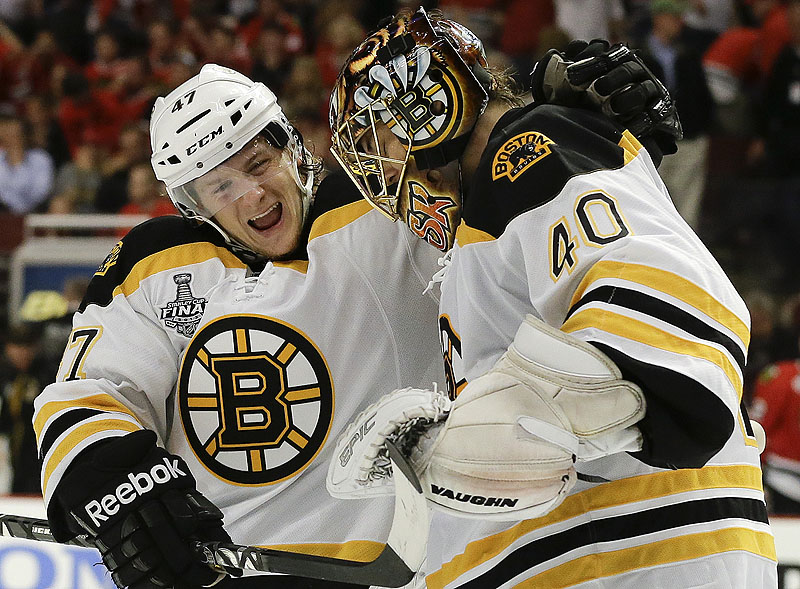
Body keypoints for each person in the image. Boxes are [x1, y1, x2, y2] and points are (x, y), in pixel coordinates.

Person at [33, 47, 683, 589]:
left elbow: (517, 207)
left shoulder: (381, 199)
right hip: (231, 573)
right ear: (191, 202)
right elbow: (84, 394)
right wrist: (120, 486)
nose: (252, 193)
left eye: (257, 163)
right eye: (220, 185)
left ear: (290, 143)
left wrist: (585, 134)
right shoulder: (154, 262)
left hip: (420, 567)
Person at [328, 7, 777, 588]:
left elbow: (672, 322)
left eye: (377, 138)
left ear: (426, 107)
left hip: (639, 552)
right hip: (605, 557)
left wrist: (503, 432)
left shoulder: (525, 152)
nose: (379, 169)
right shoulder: (484, 215)